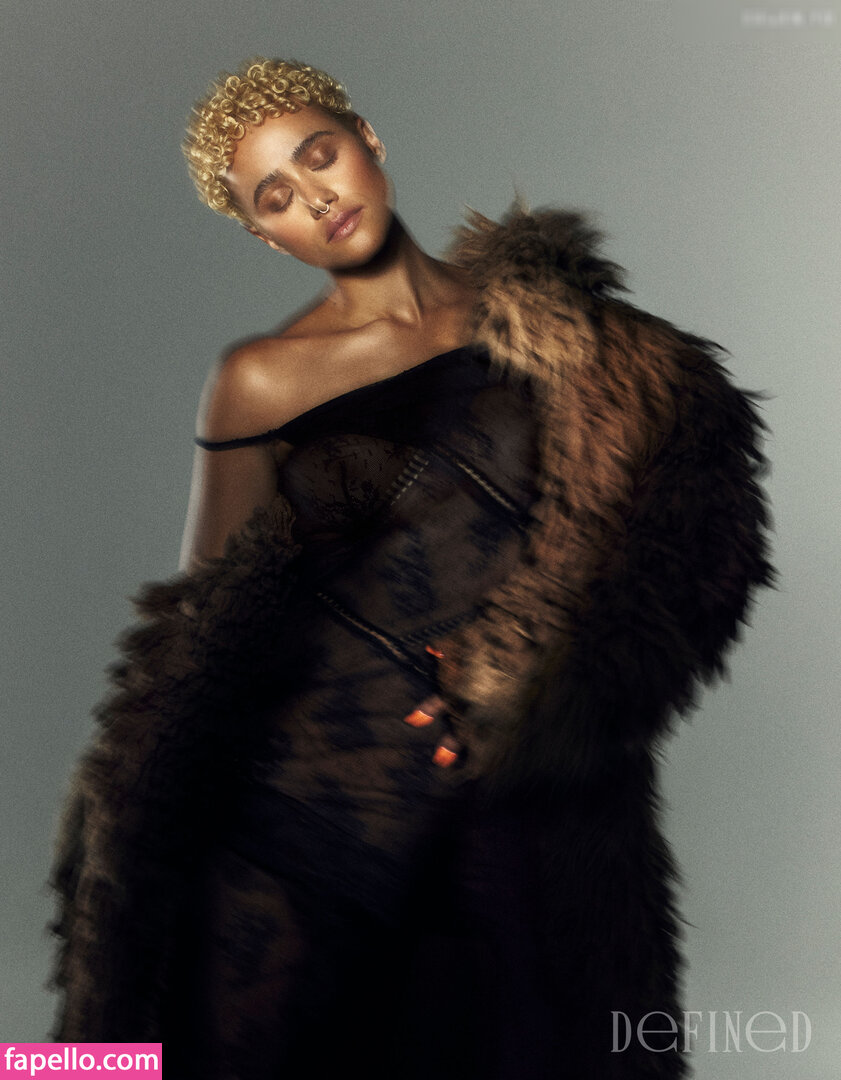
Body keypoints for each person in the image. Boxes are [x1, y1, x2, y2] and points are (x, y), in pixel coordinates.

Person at [48, 58, 774, 1079]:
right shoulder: (258, 379)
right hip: (304, 809)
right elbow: (208, 630)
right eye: (275, 197)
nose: (316, 198)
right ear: (264, 236)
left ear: (369, 142)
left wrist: (533, 675)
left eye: (319, 155)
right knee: (165, 1058)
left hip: (507, 814)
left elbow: (671, 536)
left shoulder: (570, 337)